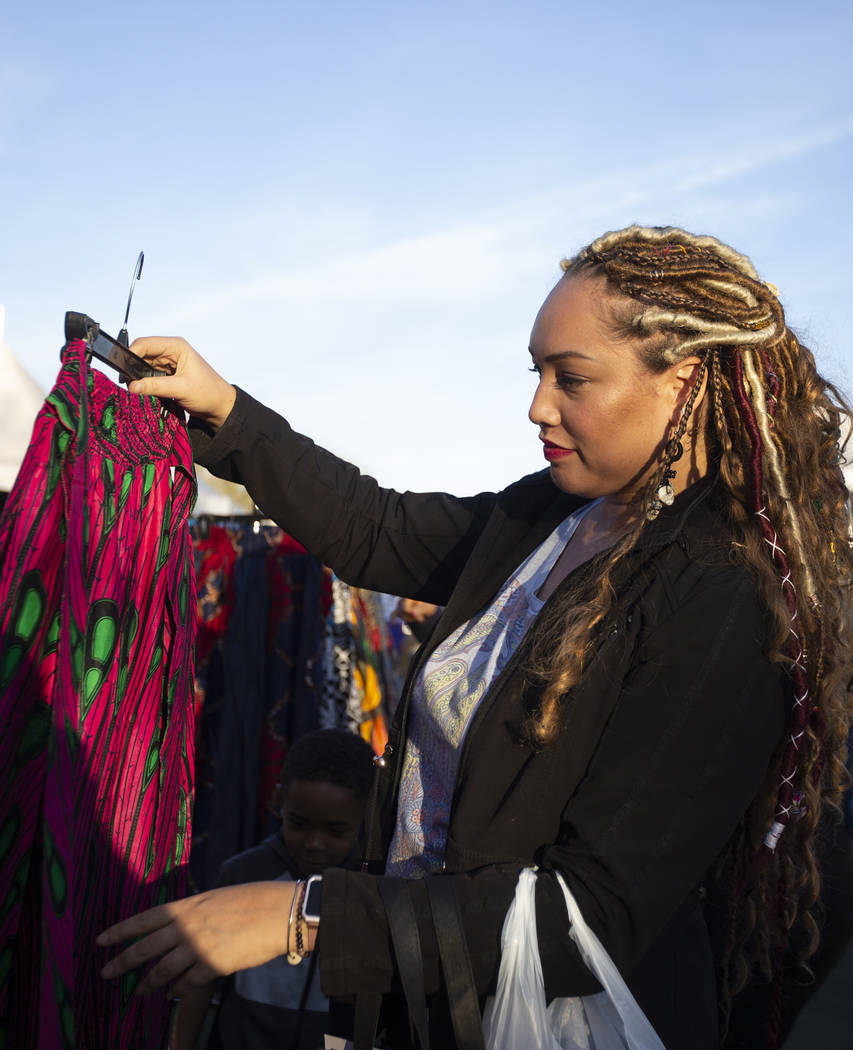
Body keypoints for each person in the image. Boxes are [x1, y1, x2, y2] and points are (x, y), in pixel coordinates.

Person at [98, 225, 853, 1050]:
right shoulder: (554, 515)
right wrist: (227, 412)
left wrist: (305, 911)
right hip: (438, 1006)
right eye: (536, 372)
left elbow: (587, 917)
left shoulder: (721, 596)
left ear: (683, 384)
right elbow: (376, 528)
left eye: (572, 377)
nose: (537, 405)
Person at [171, 728, 375, 1050]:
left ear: (366, 817)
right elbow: (201, 980)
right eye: (299, 824)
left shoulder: (370, 889)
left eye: (335, 831)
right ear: (279, 802)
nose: (314, 843)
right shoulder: (243, 875)